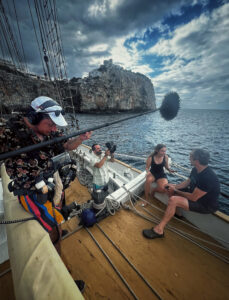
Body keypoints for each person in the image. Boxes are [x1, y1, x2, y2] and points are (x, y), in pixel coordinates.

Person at [0, 96, 91, 291]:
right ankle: (62, 280)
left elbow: (66, 146)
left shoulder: (51, 132)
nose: (53, 129)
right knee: (54, 232)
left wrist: (81, 139)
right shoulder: (7, 133)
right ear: (33, 117)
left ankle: (56, 225)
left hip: (51, 186)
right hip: (32, 194)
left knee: (57, 215)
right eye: (49, 124)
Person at [143, 148, 220, 239]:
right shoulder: (195, 169)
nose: (189, 158)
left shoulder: (208, 177)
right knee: (169, 188)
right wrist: (173, 187)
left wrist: (176, 191)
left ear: (196, 161)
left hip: (205, 204)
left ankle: (159, 230)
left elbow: (193, 198)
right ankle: (177, 213)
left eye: (191, 157)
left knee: (173, 200)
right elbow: (187, 183)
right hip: (195, 195)